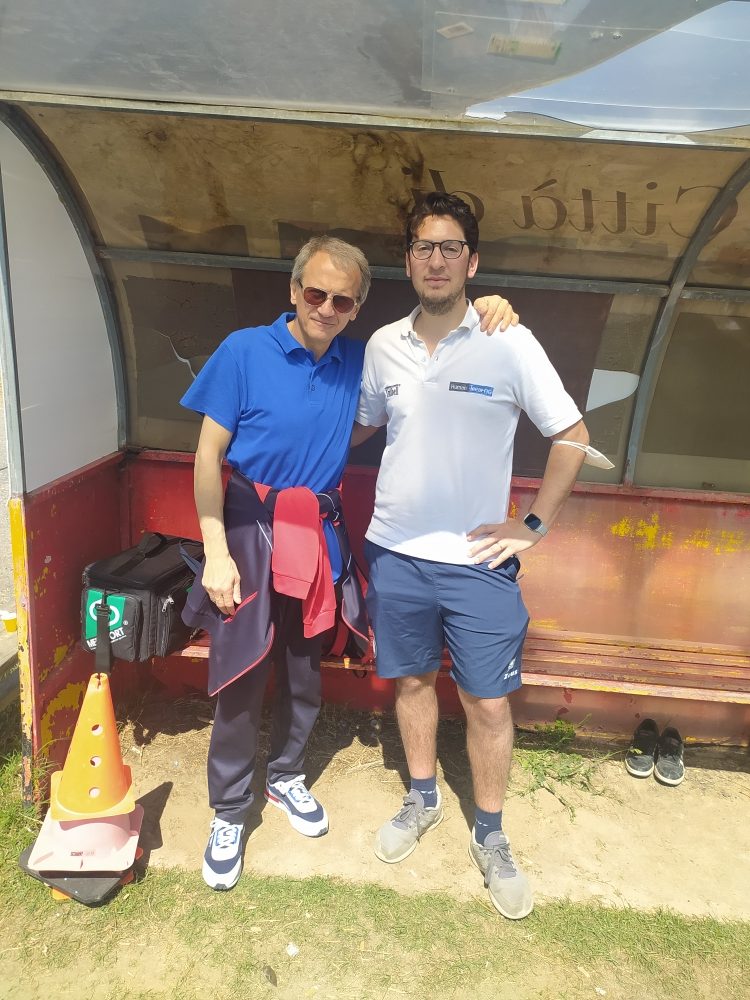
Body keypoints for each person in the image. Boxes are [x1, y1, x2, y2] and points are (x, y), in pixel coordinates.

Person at [180, 234, 518, 891]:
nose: (326, 309)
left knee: (304, 668)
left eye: (342, 301)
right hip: (249, 528)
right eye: (315, 293)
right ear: (294, 290)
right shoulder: (244, 351)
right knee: (243, 674)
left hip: (317, 532)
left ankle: (285, 776)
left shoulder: (360, 360)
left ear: (357, 307)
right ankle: (229, 811)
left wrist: (489, 308)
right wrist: (215, 550)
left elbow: (421, 358)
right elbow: (207, 456)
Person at [352, 192, 590, 920]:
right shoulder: (382, 345)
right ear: (407, 261)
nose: (436, 260)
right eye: (424, 247)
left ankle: (490, 833)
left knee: (487, 702)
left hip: (479, 561)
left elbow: (572, 436)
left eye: (450, 247)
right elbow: (360, 427)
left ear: (473, 261)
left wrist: (533, 525)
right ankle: (422, 797)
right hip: (395, 552)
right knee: (412, 682)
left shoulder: (507, 340)